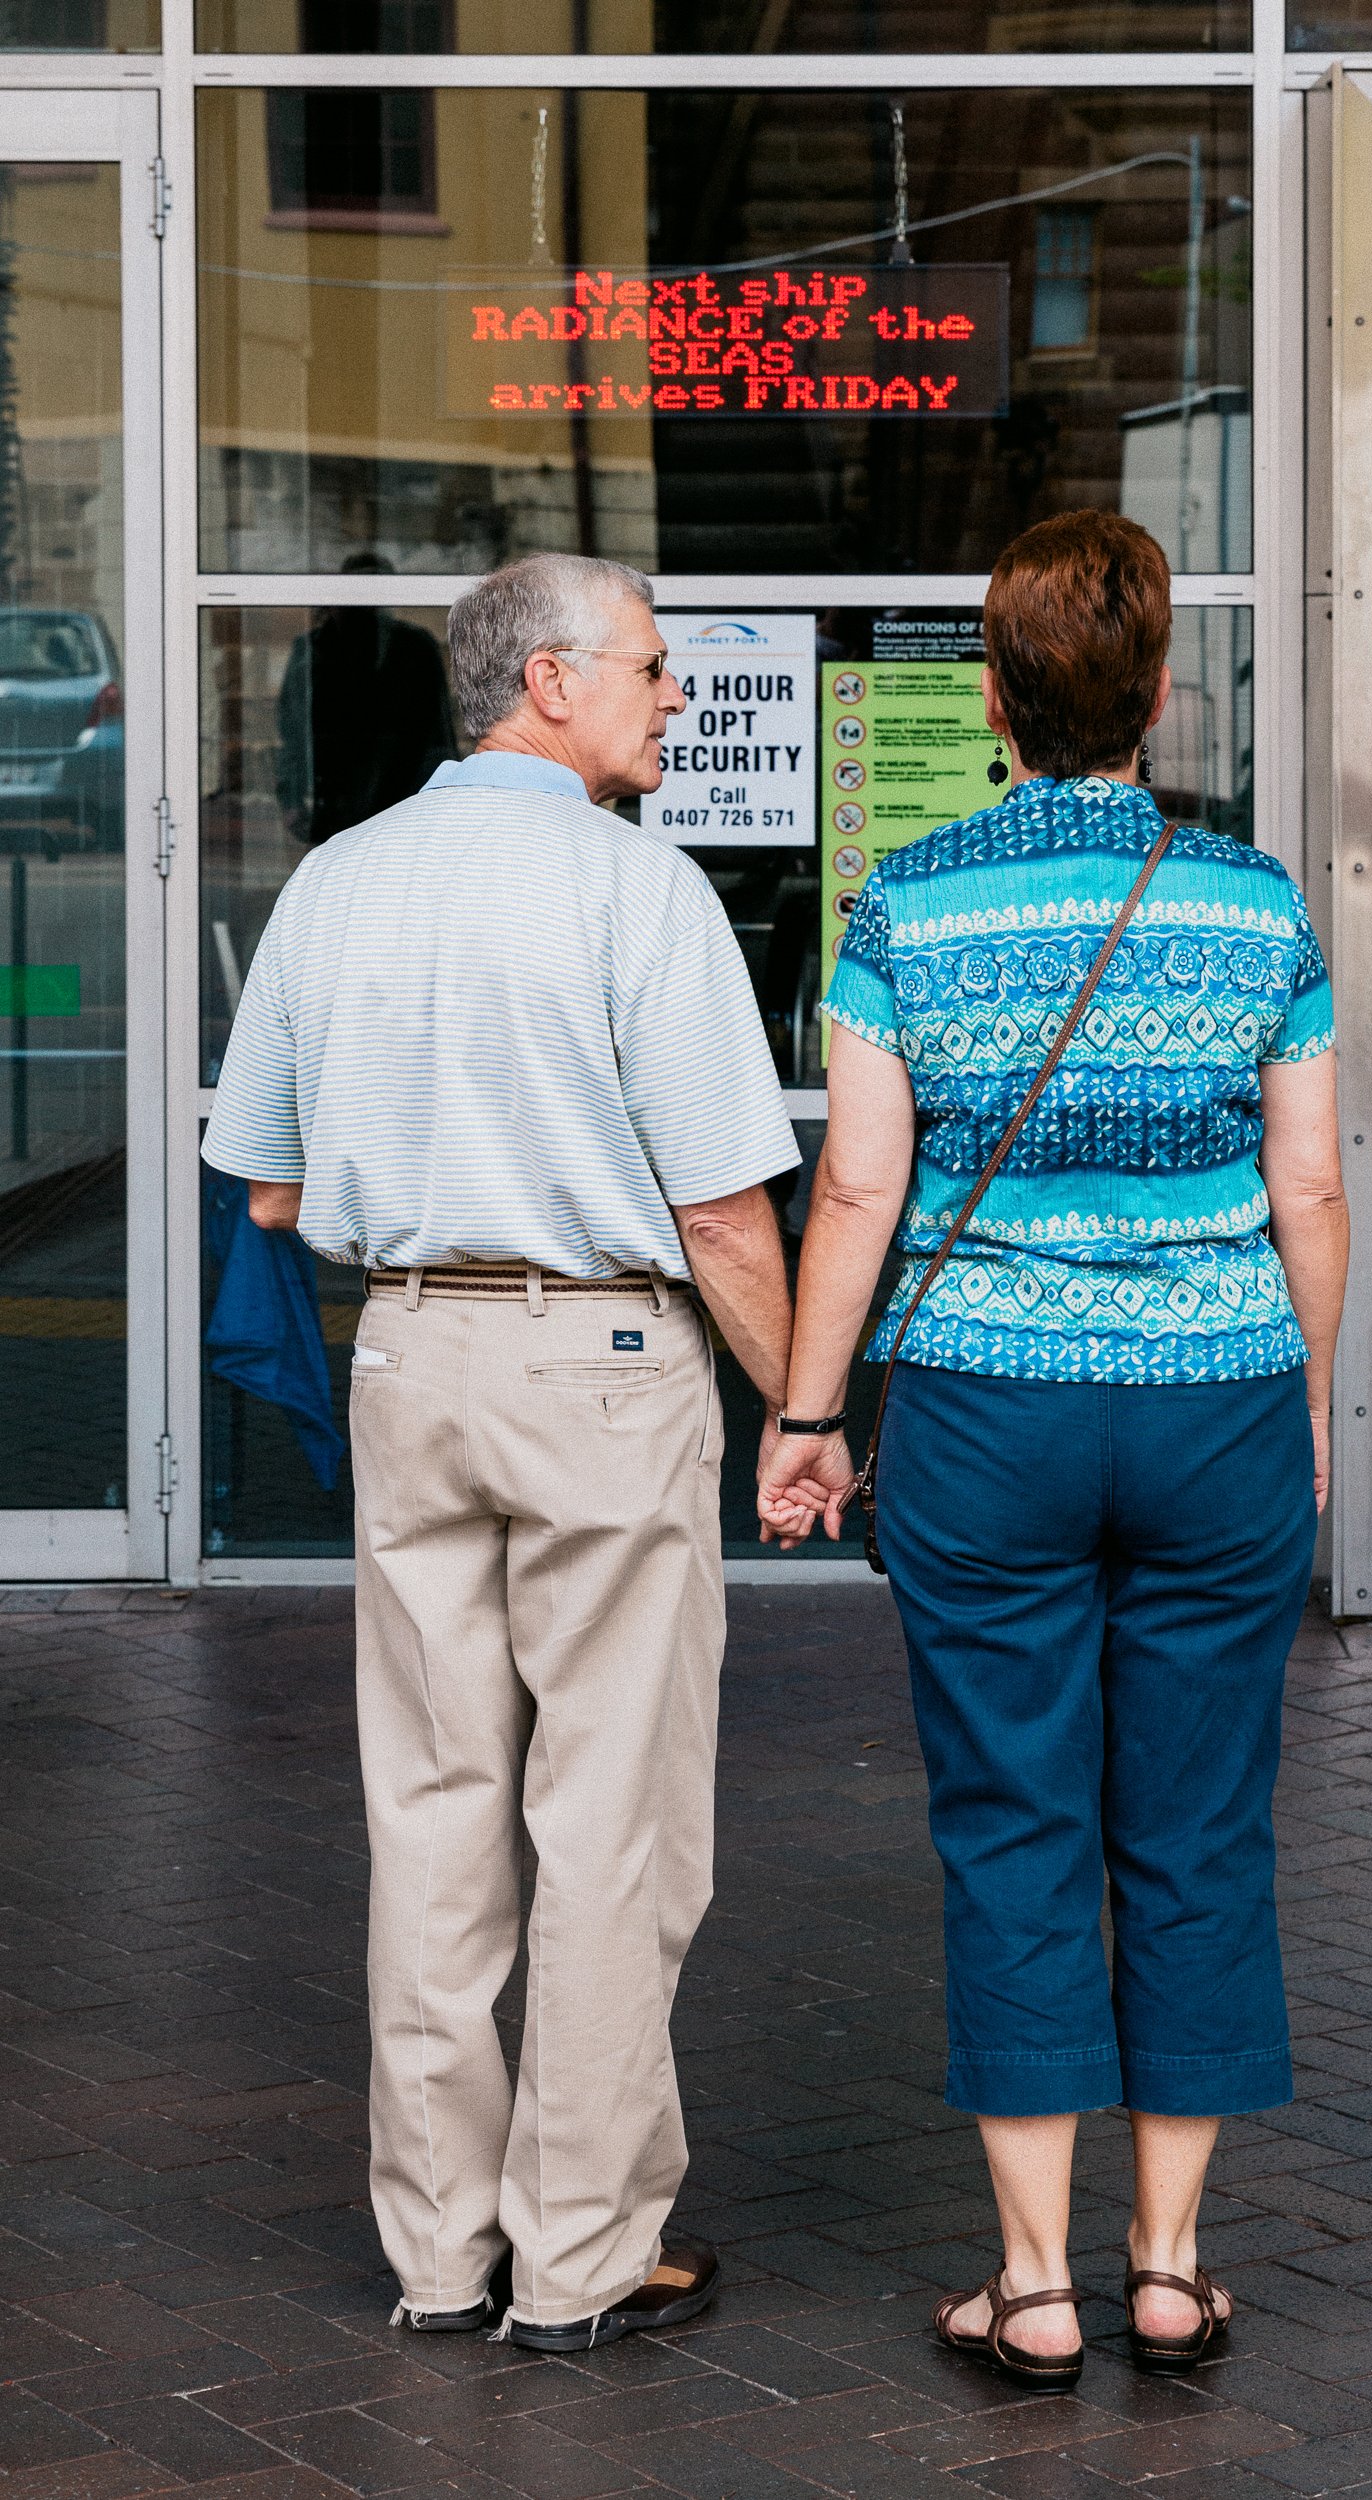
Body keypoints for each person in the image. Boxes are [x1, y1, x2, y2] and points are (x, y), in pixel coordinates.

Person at [759, 510, 1349, 2386]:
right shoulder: (1257, 903)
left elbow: (858, 1182)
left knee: (1015, 1826)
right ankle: (1171, 2266)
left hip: (988, 1413)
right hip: (1219, 1402)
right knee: (1195, 1828)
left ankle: (1032, 2287)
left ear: (994, 698)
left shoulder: (908, 907)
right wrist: (1305, 1404)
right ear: (1162, 695)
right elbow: (1311, 1183)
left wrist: (804, 1413)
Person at [202, 552, 802, 2354]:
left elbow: (272, 1176)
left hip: (407, 1349)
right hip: (606, 1361)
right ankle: (583, 2258)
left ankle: (438, 2257)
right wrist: (807, 1413)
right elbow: (722, 1215)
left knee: (436, 1814)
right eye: (653, 670)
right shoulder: (644, 892)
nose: (675, 698)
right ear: (546, 680)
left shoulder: (336, 881)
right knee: (611, 1830)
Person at [276, 554, 458, 846]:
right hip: (333, 799)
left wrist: (443, 799)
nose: (368, 606)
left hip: (404, 796)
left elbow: (439, 733)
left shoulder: (416, 646)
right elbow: (291, 732)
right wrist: (291, 798)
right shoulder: (313, 649)